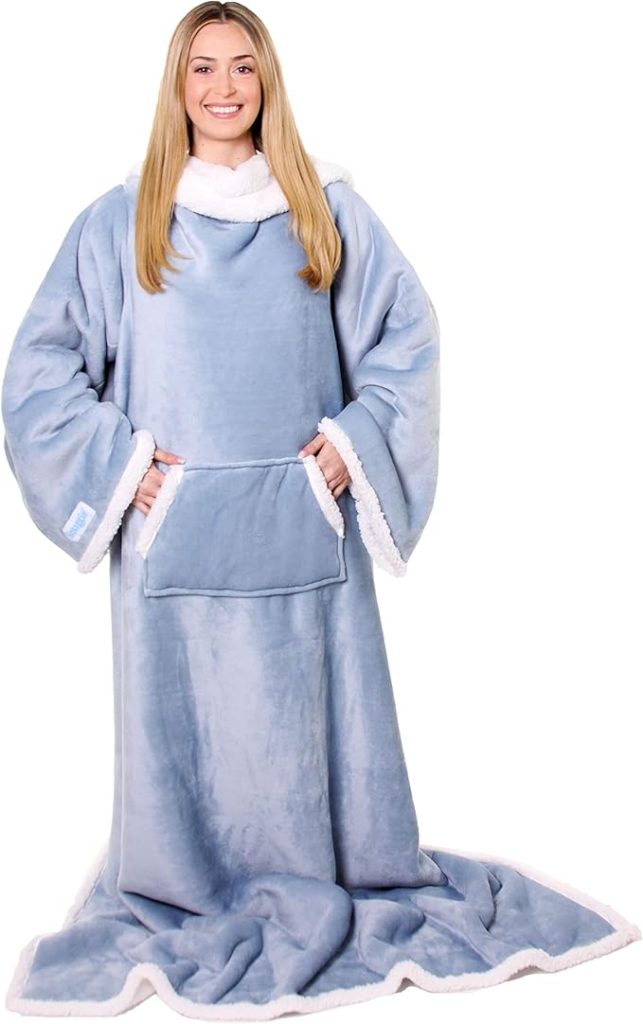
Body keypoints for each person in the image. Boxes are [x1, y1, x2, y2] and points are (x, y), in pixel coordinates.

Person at [2, 2, 639, 1018]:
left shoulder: (322, 207)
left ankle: (323, 867)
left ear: (266, 80)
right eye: (201, 68)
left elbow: (406, 336)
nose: (222, 88)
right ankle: (183, 878)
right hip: (172, 553)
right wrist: (120, 466)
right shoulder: (121, 223)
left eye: (240, 67)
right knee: (189, 736)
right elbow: (39, 373)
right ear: (175, 87)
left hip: (305, 534)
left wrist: (350, 445)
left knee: (305, 730)